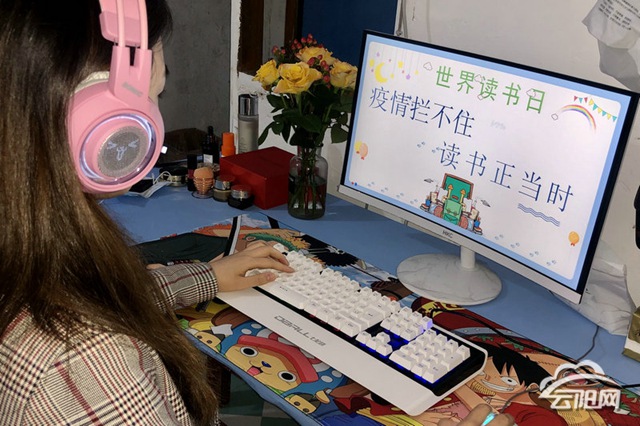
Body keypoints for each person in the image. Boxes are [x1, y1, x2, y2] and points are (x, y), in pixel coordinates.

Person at [0, 1, 515, 425]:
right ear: (105, 132)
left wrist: (208, 276)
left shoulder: (30, 261)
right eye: (152, 101)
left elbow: (95, 301)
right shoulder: (90, 365)